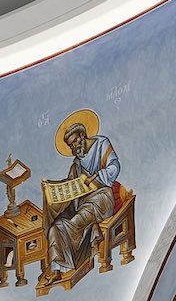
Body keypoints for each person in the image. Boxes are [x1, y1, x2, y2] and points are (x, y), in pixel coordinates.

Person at [43, 114, 121, 284]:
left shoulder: (101, 144)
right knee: (56, 226)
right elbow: (71, 183)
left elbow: (115, 167)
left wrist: (98, 176)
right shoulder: (77, 162)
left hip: (101, 197)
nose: (73, 148)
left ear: (82, 136)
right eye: (70, 146)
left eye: (75, 142)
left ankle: (77, 262)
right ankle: (58, 269)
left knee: (74, 223)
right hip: (81, 201)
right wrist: (51, 187)